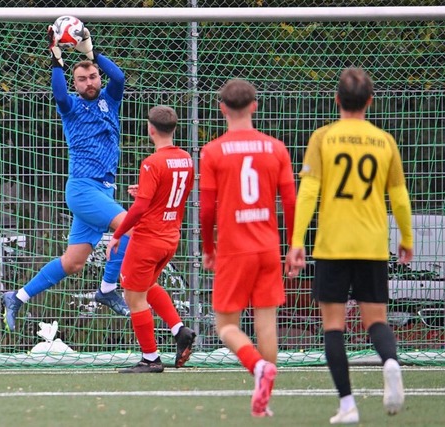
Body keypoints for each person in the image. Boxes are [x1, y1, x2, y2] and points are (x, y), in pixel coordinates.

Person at [286, 68, 413, 424]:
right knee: (376, 321)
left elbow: (308, 191)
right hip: (372, 244)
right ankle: (390, 362)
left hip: (333, 245)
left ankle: (347, 406)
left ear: (337, 100)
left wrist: (297, 241)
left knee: (334, 326)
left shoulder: (323, 137)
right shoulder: (384, 140)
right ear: (370, 101)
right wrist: (406, 237)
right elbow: (399, 197)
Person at [3, 23, 131, 331]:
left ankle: (17, 297)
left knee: (73, 262)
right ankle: (108, 289)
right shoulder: (71, 106)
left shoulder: (110, 100)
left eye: (92, 76)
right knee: (129, 228)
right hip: (83, 190)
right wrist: (56, 56)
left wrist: (91, 52)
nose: (89, 82)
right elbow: (58, 92)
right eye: (82, 78)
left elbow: (120, 77)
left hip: (103, 192)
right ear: (74, 83)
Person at [200, 79, 297, 417]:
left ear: (222, 108)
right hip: (268, 247)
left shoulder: (212, 151)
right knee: (266, 322)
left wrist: (208, 246)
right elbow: (290, 201)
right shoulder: (276, 148)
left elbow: (207, 209)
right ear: (255, 105)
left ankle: (258, 367)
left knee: (226, 326)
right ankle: (264, 394)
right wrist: (293, 245)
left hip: (234, 248)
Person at [105, 106, 196, 373]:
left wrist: (118, 234)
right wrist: (144, 193)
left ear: (150, 128)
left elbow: (142, 208)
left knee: (134, 297)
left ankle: (150, 358)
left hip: (148, 238)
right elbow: (173, 196)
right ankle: (180, 331)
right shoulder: (186, 159)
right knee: (147, 286)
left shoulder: (151, 162)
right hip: (170, 237)